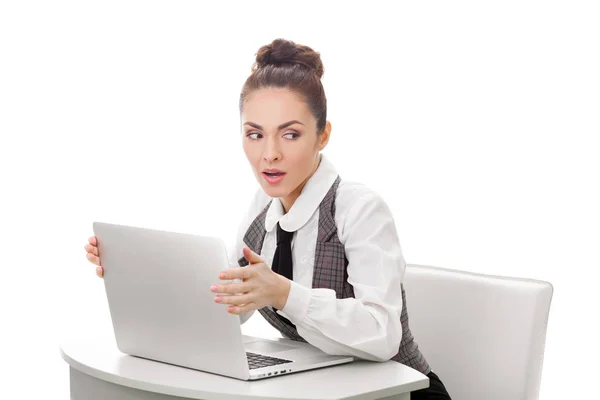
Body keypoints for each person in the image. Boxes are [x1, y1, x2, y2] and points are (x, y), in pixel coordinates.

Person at [84, 38, 451, 399]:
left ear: (322, 135)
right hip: (324, 392)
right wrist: (134, 273)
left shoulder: (359, 209)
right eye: (255, 134)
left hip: (401, 394)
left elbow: (383, 335)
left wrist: (283, 293)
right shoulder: (263, 206)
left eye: (290, 134)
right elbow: (230, 305)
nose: (269, 154)